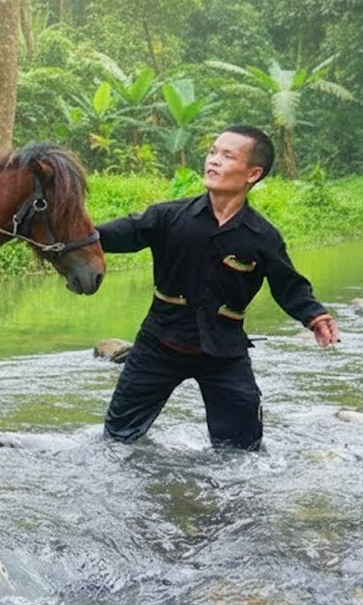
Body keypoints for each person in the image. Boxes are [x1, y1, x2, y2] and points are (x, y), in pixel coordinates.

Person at [98, 126, 340, 450]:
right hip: (159, 344)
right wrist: (62, 235)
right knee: (117, 440)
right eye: (212, 152)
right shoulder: (167, 217)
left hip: (224, 353)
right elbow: (109, 235)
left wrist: (314, 316)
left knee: (242, 452)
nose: (213, 161)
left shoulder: (261, 236)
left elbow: (288, 285)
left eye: (227, 156)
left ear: (252, 173)